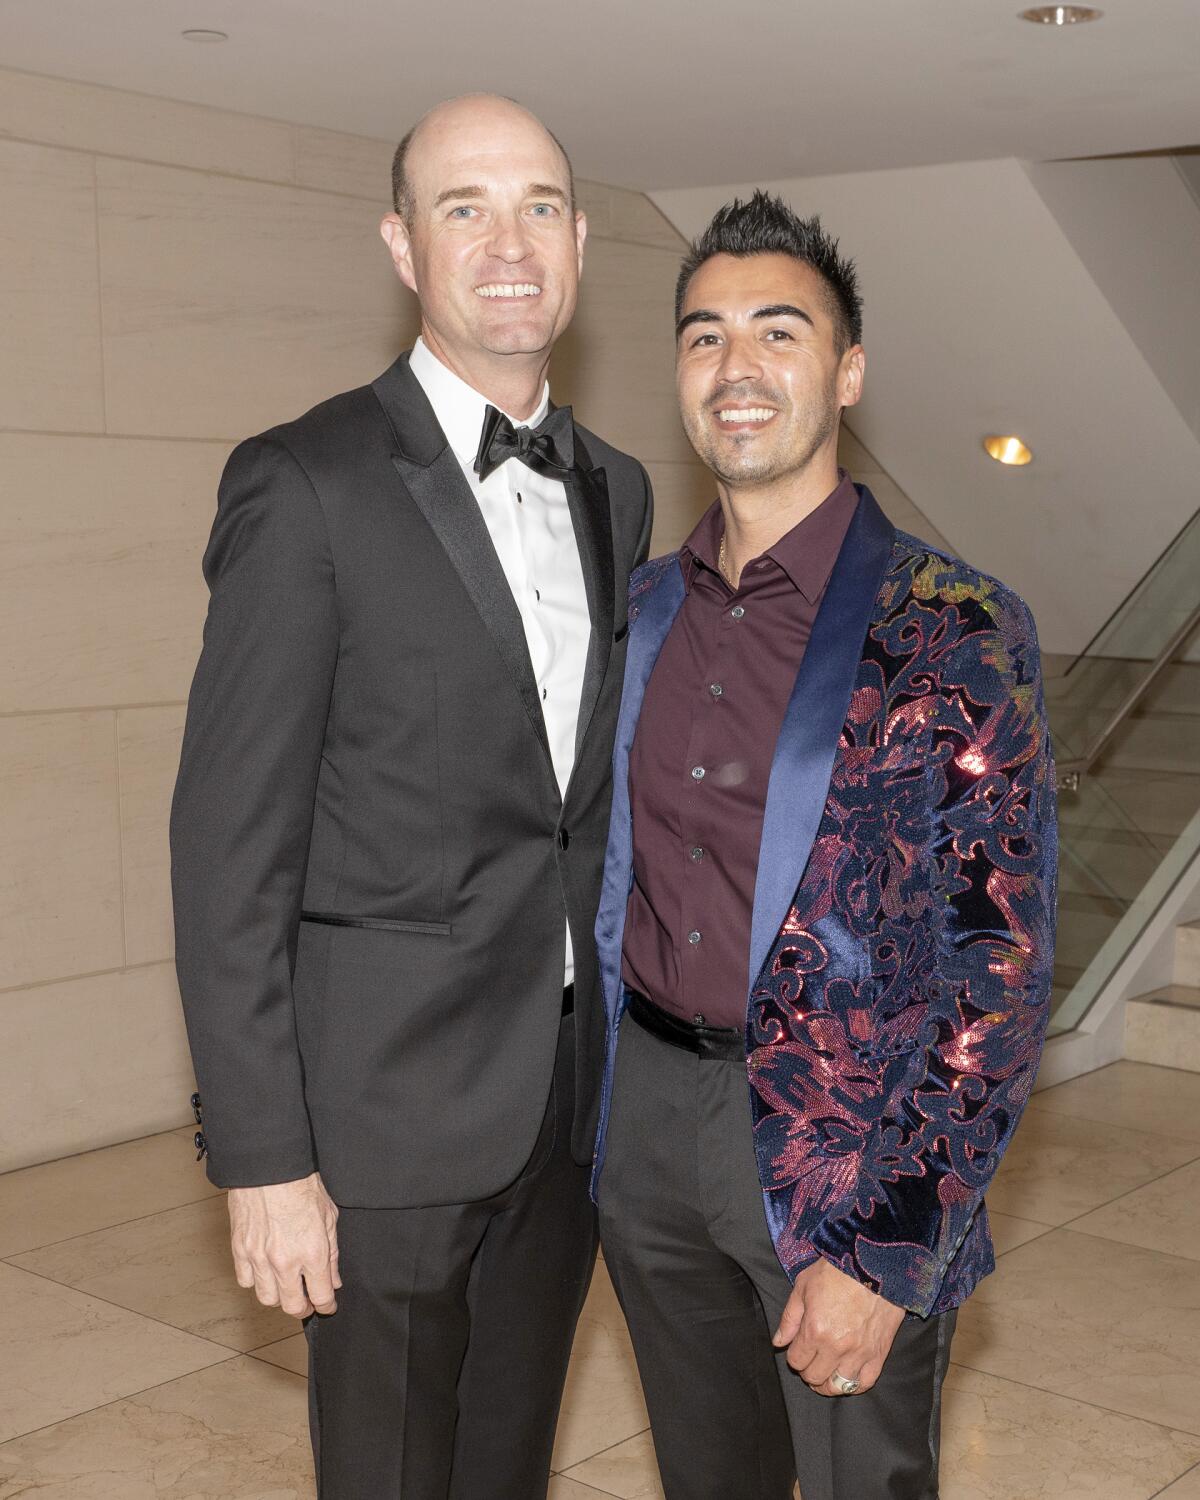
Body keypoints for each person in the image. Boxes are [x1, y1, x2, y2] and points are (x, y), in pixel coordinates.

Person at [170, 93, 652, 1498]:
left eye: (541, 208)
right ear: (402, 246)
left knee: (506, 1460)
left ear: (578, 242)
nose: (510, 244)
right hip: (380, 1121)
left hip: (570, 1102)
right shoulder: (304, 483)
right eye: (465, 208)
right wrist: (265, 1162)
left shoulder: (616, 488)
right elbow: (227, 851)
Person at [591, 191, 1057, 1500]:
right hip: (649, 1133)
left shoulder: (953, 624)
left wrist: (889, 1246)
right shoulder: (637, 615)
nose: (737, 370)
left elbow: (999, 974)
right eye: (704, 336)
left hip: (849, 1163)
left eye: (778, 333)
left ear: (846, 371)